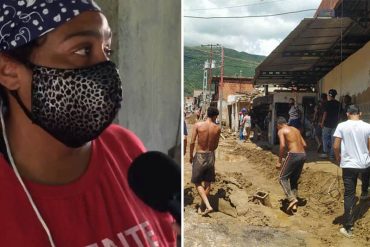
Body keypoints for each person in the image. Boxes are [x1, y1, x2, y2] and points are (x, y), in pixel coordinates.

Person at [0, 1, 175, 246]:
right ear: (9, 72)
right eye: (82, 50)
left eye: (107, 50)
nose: (106, 69)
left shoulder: (126, 149)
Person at [333, 105, 370, 238]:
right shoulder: (367, 126)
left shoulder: (341, 126)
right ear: (360, 113)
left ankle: (348, 227)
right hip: (365, 163)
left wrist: (338, 158)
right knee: (366, 175)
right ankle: (365, 192)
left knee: (349, 194)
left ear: (348, 113)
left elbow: (336, 145)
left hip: (348, 165)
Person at [189, 107, 221, 216]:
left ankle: (207, 206)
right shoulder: (217, 128)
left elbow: (192, 142)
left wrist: (190, 156)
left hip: (200, 156)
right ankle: (202, 208)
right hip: (211, 155)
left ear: (207, 114)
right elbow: (216, 145)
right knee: (208, 183)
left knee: (197, 182)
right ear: (215, 116)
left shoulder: (198, 125)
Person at [276, 117, 307, 213]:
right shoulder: (295, 129)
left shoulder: (281, 130)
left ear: (279, 125)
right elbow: (304, 144)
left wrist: (279, 161)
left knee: (282, 178)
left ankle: (291, 199)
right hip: (303, 154)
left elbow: (282, 145)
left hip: (293, 155)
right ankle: (295, 203)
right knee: (293, 179)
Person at [320, 89, 340, 159]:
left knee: (325, 138)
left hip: (327, 124)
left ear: (329, 95)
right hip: (335, 124)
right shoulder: (338, 103)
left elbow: (325, 113)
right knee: (333, 140)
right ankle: (332, 155)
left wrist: (322, 122)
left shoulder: (327, 103)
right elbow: (339, 114)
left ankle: (325, 153)